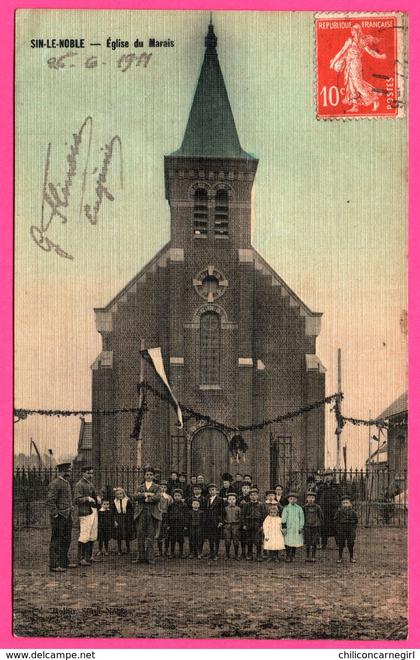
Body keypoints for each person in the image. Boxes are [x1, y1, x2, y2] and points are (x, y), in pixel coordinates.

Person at [329, 24, 386, 113]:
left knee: (358, 84)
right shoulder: (349, 41)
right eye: (351, 31)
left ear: (358, 31)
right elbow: (341, 52)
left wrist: (381, 56)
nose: (352, 33)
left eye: (353, 31)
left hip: (356, 64)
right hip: (349, 64)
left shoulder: (362, 42)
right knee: (351, 84)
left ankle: (374, 99)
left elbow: (371, 52)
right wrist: (333, 62)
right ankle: (355, 106)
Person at [46, 462, 77, 572]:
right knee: (57, 539)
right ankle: (54, 564)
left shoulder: (66, 483)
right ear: (62, 471)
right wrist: (55, 514)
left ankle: (64, 561)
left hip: (67, 515)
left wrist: (70, 507)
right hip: (59, 516)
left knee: (66, 539)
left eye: (69, 470)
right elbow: (50, 501)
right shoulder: (55, 483)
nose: (69, 472)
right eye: (67, 471)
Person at [132, 464, 161, 565]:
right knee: (140, 535)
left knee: (150, 535)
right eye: (147, 474)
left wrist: (147, 499)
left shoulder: (157, 487)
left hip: (152, 513)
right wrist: (145, 494)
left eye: (151, 474)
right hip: (141, 512)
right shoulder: (140, 487)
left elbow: (158, 498)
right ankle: (140, 557)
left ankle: (150, 558)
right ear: (144, 476)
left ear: (153, 476)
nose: (149, 476)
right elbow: (135, 496)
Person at [74, 465, 100, 566]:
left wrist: (97, 497)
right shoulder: (79, 485)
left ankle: (89, 556)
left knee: (92, 534)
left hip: (93, 511)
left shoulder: (90, 483)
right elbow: (77, 499)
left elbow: (94, 494)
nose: (90, 475)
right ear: (83, 473)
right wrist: (87, 499)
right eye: (88, 473)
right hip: (85, 512)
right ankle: (81, 558)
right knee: (84, 534)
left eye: (92, 473)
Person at [241, 487, 265, 561]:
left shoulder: (261, 505)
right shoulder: (246, 505)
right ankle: (249, 554)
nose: (253, 496)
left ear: (257, 496)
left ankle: (258, 555)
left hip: (257, 523)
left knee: (258, 540)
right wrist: (244, 524)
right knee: (249, 540)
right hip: (249, 523)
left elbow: (264, 516)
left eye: (255, 495)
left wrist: (262, 525)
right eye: (251, 495)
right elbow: (242, 515)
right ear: (249, 496)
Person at [318, 470, 341, 549]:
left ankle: (338, 544)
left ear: (332, 477)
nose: (328, 478)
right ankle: (324, 544)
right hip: (324, 510)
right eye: (326, 476)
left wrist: (337, 506)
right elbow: (318, 498)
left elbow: (340, 497)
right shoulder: (321, 487)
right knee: (324, 527)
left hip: (333, 510)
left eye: (329, 475)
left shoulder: (336, 487)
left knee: (336, 527)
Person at [334, 495, 358, 563]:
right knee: (341, 543)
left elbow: (356, 521)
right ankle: (340, 557)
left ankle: (351, 557)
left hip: (350, 529)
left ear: (350, 503)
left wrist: (353, 528)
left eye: (347, 502)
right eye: (344, 503)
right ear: (341, 504)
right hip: (342, 529)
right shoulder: (339, 512)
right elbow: (335, 520)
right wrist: (338, 528)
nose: (345, 504)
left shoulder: (353, 512)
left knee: (351, 543)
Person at [281, 492, 304, 562]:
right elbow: (283, 518)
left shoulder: (299, 508)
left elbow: (302, 518)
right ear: (288, 500)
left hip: (296, 528)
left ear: (296, 500)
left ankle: (293, 555)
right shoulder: (286, 508)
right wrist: (284, 527)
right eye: (291, 499)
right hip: (289, 528)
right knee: (288, 542)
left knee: (295, 542)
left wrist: (300, 527)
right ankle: (288, 555)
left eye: (294, 499)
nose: (293, 500)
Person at [111, 486, 134, 555]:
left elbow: (131, 510)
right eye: (118, 494)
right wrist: (114, 521)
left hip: (126, 519)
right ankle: (119, 549)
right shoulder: (114, 502)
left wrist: (129, 517)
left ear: (123, 494)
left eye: (121, 494)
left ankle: (128, 548)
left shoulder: (127, 501)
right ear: (116, 495)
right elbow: (112, 512)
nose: (119, 495)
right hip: (118, 519)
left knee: (127, 533)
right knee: (119, 534)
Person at [205, 483, 224, 560]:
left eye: (213, 490)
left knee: (216, 538)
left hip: (216, 521)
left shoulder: (220, 500)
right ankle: (211, 552)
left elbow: (222, 512)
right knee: (210, 538)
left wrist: (220, 521)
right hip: (209, 521)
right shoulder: (207, 499)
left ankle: (216, 554)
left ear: (216, 491)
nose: (211, 491)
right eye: (210, 490)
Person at [303, 491, 323, 562]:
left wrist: (319, 524)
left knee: (314, 542)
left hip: (315, 526)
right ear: (307, 499)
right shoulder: (305, 507)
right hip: (307, 526)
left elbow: (321, 516)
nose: (311, 499)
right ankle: (308, 556)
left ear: (314, 499)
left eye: (312, 498)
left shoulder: (317, 507)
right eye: (309, 498)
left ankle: (313, 556)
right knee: (308, 542)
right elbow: (303, 516)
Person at [167, 489, 187, 558]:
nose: (177, 497)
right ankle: (172, 553)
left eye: (179, 495)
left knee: (181, 540)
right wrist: (168, 524)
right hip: (173, 524)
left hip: (181, 524)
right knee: (172, 539)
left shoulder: (184, 505)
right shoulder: (171, 505)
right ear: (173, 496)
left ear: (181, 496)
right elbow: (168, 515)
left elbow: (186, 515)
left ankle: (181, 553)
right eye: (175, 495)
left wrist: (185, 525)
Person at [156, 480, 172, 557]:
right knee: (159, 533)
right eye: (161, 487)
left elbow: (171, 507)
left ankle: (166, 550)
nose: (163, 488)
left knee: (167, 533)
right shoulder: (157, 496)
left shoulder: (169, 497)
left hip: (166, 516)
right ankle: (159, 550)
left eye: (165, 487)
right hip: (159, 515)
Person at [223, 492, 241, 560]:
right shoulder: (225, 508)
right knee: (227, 541)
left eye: (233, 499)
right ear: (227, 500)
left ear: (236, 500)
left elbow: (240, 517)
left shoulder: (238, 509)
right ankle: (227, 554)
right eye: (230, 499)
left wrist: (238, 525)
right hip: (227, 526)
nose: (231, 501)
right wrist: (225, 524)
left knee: (235, 541)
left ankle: (236, 555)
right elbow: (223, 517)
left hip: (235, 526)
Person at [238, 482, 251, 559]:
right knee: (242, 537)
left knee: (249, 537)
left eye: (247, 488)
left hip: (248, 519)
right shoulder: (239, 498)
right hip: (241, 519)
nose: (245, 490)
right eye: (244, 488)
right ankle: (243, 552)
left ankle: (249, 553)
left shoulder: (251, 498)